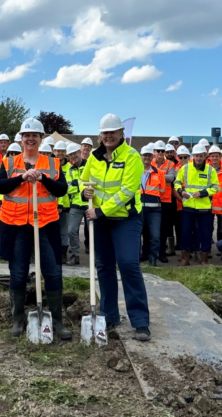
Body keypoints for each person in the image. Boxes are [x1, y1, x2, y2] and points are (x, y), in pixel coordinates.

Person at [0, 117, 71, 340]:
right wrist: (22, 177)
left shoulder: (52, 164)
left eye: (34, 136)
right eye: (26, 136)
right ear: (21, 139)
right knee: (18, 273)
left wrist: (44, 178)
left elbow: (61, 190)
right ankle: (18, 319)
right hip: (16, 225)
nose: (30, 139)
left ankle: (57, 321)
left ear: (40, 139)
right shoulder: (9, 163)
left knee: (53, 272)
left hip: (46, 224)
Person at [82, 114, 150, 341]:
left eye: (113, 132)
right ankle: (109, 316)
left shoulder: (132, 157)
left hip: (126, 219)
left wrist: (100, 211)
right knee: (104, 267)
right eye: (105, 132)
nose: (108, 136)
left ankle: (140, 322)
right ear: (100, 135)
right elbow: (84, 180)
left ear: (121, 133)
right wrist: (85, 193)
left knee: (129, 264)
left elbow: (126, 191)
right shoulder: (94, 156)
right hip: (100, 221)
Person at [175, 144, 219, 266]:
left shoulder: (211, 170)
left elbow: (216, 187)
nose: (198, 158)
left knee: (205, 233)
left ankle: (204, 259)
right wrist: (180, 191)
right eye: (196, 156)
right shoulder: (185, 168)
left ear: (205, 156)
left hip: (204, 208)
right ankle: (185, 258)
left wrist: (202, 193)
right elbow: (177, 182)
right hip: (188, 206)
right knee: (186, 232)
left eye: (201, 156)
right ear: (193, 156)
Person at [0, 142, 22, 259]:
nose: (13, 155)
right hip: (2, 202)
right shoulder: (3, 166)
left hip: (18, 204)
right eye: (11, 153)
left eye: (16, 153)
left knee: (17, 231)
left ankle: (12, 253)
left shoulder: (22, 167)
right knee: (1, 230)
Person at [140, 144, 165, 267]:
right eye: (145, 155)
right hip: (138, 209)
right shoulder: (134, 171)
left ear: (153, 157)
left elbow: (163, 190)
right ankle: (136, 257)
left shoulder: (159, 173)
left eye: (149, 155)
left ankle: (153, 258)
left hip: (154, 210)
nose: (147, 158)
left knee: (155, 236)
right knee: (136, 236)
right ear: (141, 156)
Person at [151, 141, 177, 262]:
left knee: (164, 228)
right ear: (154, 152)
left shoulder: (170, 164)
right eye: (158, 151)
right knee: (149, 228)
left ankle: (162, 254)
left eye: (162, 151)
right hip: (152, 197)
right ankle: (148, 253)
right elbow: (146, 175)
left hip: (166, 200)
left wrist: (156, 173)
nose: (160, 153)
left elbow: (171, 178)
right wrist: (162, 175)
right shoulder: (149, 162)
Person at [65, 142, 87, 266]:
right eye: (71, 154)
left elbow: (93, 183)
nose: (73, 156)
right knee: (71, 231)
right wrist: (81, 185)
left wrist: (76, 184)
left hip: (90, 203)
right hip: (76, 204)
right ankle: (75, 255)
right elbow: (68, 189)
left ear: (80, 152)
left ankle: (98, 258)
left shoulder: (89, 165)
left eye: (75, 153)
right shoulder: (70, 170)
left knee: (95, 233)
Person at [54, 141, 71, 263]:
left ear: (66, 153)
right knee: (53, 231)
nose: (60, 153)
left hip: (65, 205)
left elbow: (69, 186)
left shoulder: (70, 168)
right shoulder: (51, 166)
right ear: (54, 152)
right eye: (58, 151)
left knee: (64, 231)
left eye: (62, 151)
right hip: (51, 204)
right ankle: (54, 253)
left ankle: (63, 254)